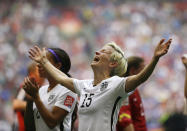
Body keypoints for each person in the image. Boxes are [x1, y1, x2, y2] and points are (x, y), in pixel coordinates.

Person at [27, 38, 172, 131]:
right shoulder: (84, 85)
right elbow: (61, 78)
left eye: (103, 52)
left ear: (112, 63)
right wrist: (44, 61)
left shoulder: (116, 84)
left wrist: (155, 58)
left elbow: (140, 78)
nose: (97, 51)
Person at [23, 48, 77, 131]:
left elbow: (52, 122)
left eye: (44, 61)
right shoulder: (41, 90)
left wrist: (36, 97)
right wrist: (30, 99)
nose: (38, 65)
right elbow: (30, 126)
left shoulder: (68, 90)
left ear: (58, 65)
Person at [116, 56, 147, 131]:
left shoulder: (133, 89)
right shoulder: (126, 89)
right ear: (133, 70)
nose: (146, 72)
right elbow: (124, 119)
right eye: (143, 69)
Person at [12, 62, 45, 131]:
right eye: (40, 71)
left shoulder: (43, 89)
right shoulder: (25, 86)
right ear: (32, 74)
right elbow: (16, 104)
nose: (43, 75)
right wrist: (38, 106)